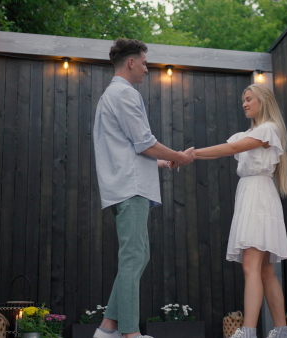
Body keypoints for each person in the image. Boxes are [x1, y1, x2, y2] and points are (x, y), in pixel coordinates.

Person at [92, 38, 195, 338]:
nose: (148, 70)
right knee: (134, 257)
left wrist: (161, 164)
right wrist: (179, 156)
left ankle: (107, 328)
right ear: (131, 62)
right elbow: (145, 142)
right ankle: (129, 333)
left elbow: (128, 148)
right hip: (130, 188)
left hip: (126, 184)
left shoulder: (111, 95)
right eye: (146, 63)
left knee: (137, 256)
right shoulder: (124, 94)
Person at [191, 84, 287, 338]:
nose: (245, 104)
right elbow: (224, 149)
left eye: (249, 99)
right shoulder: (246, 133)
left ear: (263, 101)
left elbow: (231, 149)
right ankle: (281, 332)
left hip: (258, 196)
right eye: (243, 100)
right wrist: (189, 155)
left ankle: (248, 331)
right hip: (251, 195)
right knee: (265, 270)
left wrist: (190, 154)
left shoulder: (268, 129)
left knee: (251, 266)